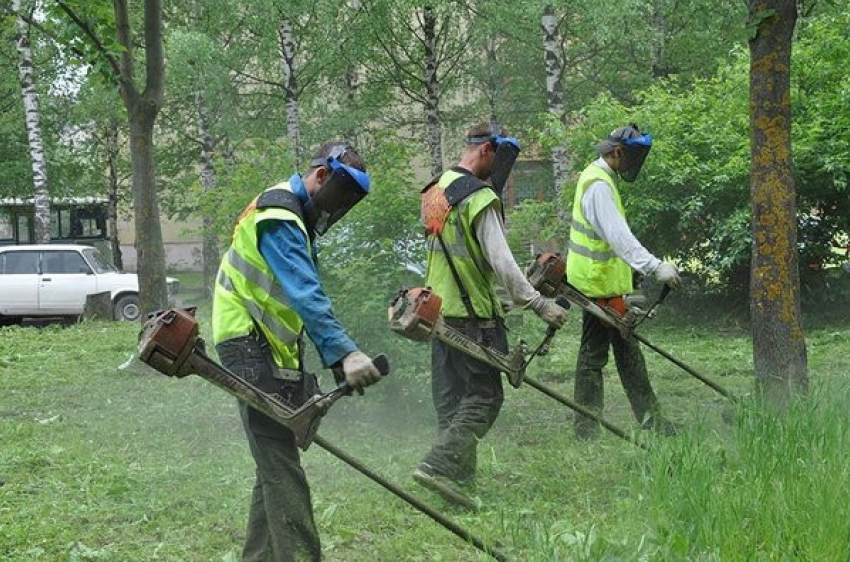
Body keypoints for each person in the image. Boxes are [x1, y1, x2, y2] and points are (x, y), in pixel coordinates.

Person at [212, 141, 383, 562]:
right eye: (340, 196)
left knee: (274, 464)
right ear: (320, 177)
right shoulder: (281, 215)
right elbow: (306, 294)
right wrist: (346, 354)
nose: (338, 208)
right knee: (282, 468)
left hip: (262, 348)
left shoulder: (287, 215)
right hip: (249, 348)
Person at [413, 122, 569, 507]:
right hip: (472, 315)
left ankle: (457, 487)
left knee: (451, 402)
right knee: (484, 397)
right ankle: (438, 465)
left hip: (437, 312)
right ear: (485, 151)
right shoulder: (479, 197)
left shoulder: (435, 190)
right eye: (499, 160)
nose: (500, 171)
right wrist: (538, 304)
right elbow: (502, 261)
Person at [566, 124, 681, 440]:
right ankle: (587, 429)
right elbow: (619, 237)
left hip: (605, 283)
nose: (633, 164)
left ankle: (650, 421)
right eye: (631, 157)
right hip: (596, 285)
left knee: (626, 350)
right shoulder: (599, 185)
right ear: (617, 152)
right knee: (594, 357)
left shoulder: (600, 178)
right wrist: (655, 267)